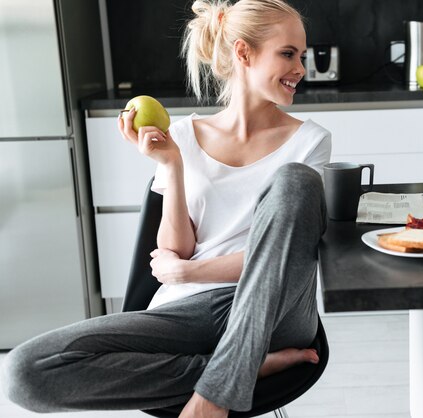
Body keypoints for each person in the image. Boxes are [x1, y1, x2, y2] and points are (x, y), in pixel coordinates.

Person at [1, 0, 331, 417]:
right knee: (25, 373)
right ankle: (239, 368)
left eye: (301, 55)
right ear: (244, 53)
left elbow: (285, 254)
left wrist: (192, 271)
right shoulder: (183, 136)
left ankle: (215, 395)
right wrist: (172, 166)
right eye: (288, 54)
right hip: (188, 308)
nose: (301, 68)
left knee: (296, 183)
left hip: (276, 310)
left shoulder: (311, 141)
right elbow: (176, 250)